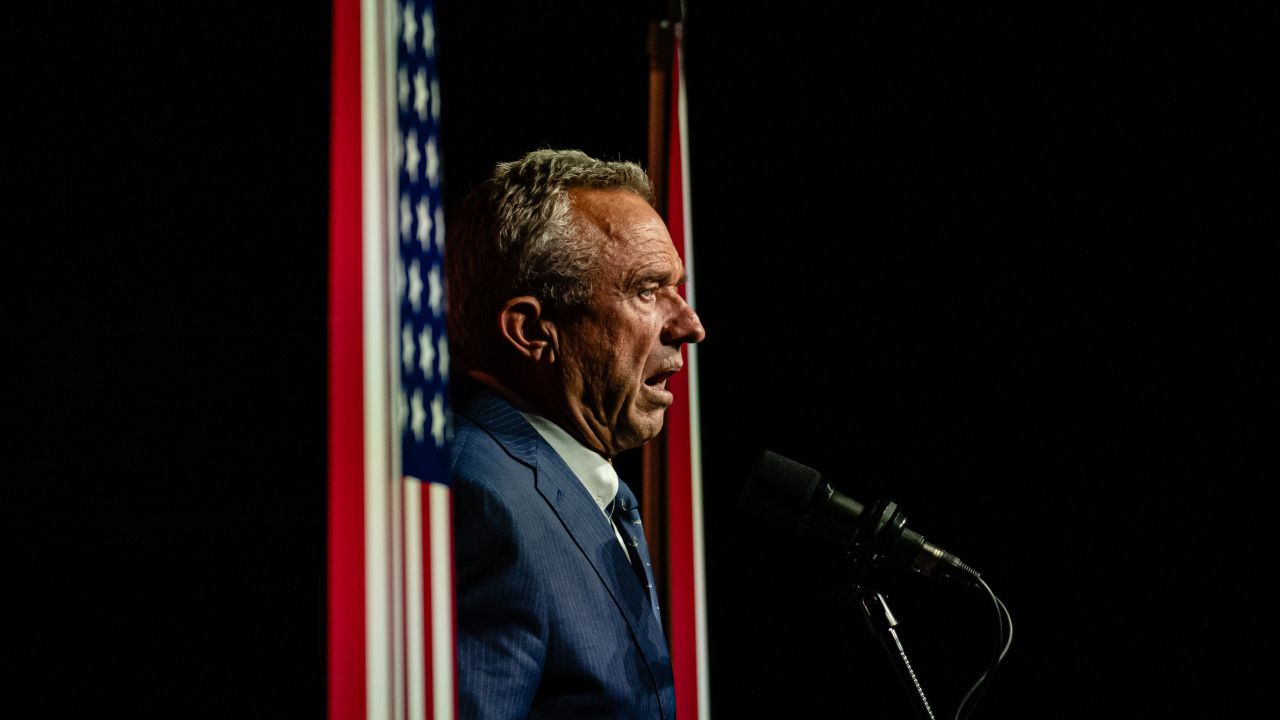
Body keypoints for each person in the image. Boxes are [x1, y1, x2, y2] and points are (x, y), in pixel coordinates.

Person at [445, 149, 706, 719]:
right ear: (534, 331)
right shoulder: (482, 502)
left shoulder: (575, 486)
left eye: (677, 288)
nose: (689, 325)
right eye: (647, 290)